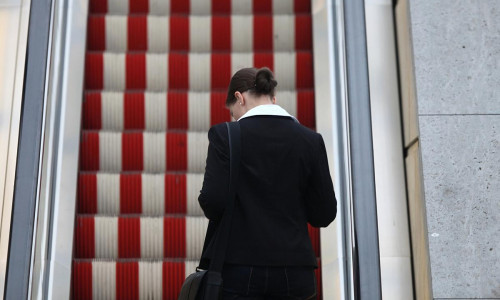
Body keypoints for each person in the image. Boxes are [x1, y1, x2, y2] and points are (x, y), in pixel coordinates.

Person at [198, 67, 337, 299]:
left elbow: (213, 202)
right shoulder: (311, 140)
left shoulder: (226, 135)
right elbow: (324, 214)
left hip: (238, 268)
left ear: (239, 98)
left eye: (234, 113)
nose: (234, 119)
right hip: (295, 270)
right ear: (273, 98)